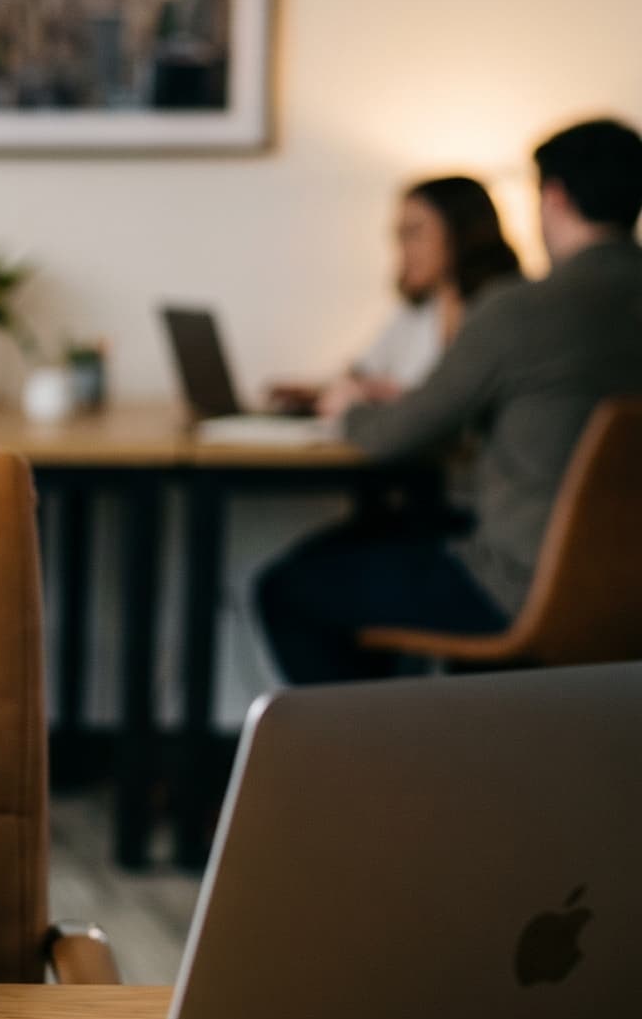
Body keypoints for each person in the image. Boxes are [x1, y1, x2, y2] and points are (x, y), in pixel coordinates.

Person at [257, 118, 642, 684]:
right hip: (623, 587)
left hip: (517, 585)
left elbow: (393, 438)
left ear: (554, 197)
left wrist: (350, 410)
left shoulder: (520, 310)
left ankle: (375, 765)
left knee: (288, 589)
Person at [269, 176, 524, 414]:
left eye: (413, 232)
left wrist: (391, 395)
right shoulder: (416, 311)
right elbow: (361, 372)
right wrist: (317, 392)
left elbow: (462, 402)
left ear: (461, 229)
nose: (403, 249)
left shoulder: (506, 309)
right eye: (398, 236)